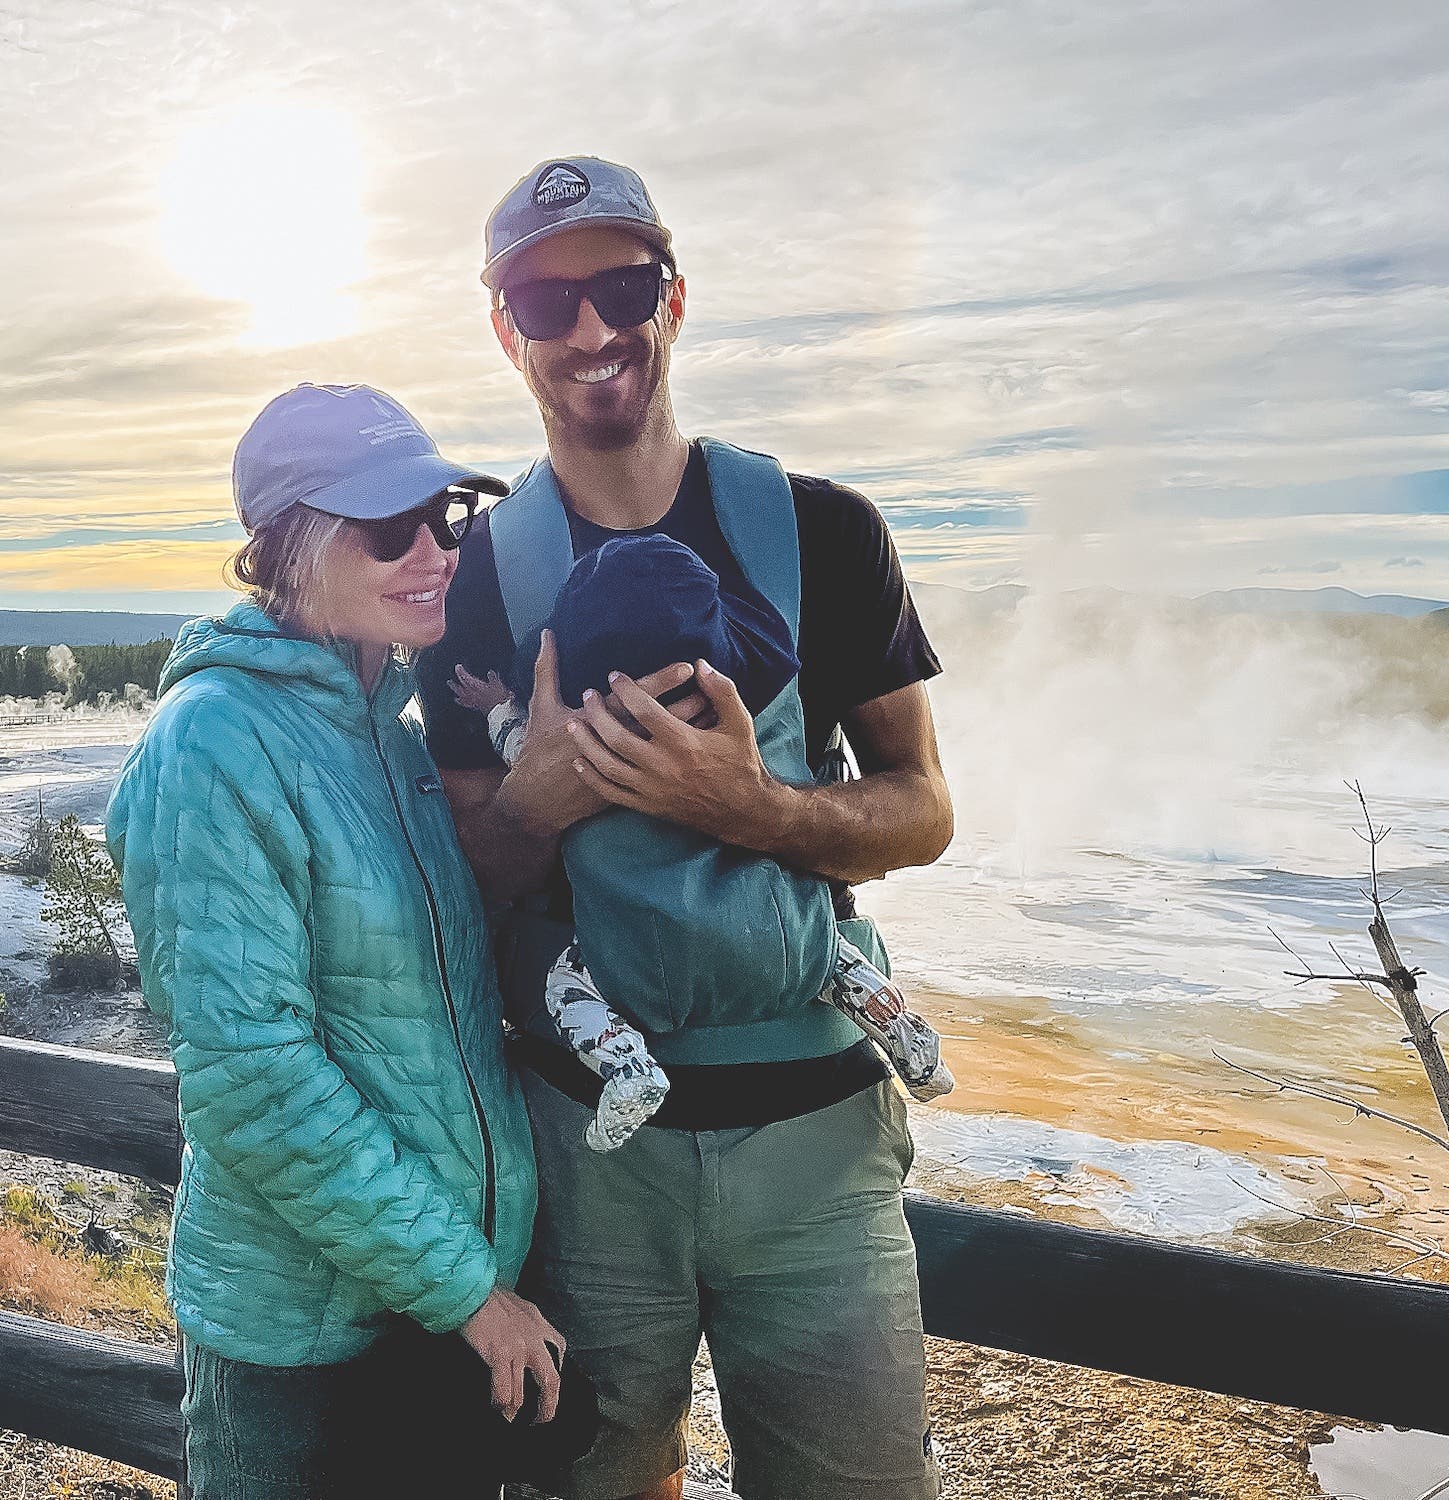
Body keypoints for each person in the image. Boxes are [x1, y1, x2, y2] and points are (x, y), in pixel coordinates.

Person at [418, 156, 953, 1500]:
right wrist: (541, 791)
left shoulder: (826, 532)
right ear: (505, 331)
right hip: (587, 1156)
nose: (591, 330)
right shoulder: (471, 576)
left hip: (820, 1151)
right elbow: (466, 872)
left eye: (623, 285)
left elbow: (922, 810)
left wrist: (751, 806)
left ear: (675, 298)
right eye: (547, 299)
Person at [106, 383, 593, 1499]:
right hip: (302, 1344)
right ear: (288, 552)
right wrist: (470, 1291)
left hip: (423, 1311)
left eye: (448, 519)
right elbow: (252, 1079)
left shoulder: (398, 733)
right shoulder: (217, 741)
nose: (434, 555)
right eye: (388, 532)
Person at [444, 531, 955, 1152]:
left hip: (637, 955)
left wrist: (500, 707)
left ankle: (628, 1068)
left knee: (568, 989)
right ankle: (904, 1031)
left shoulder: (582, 747)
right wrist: (761, 807)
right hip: (778, 938)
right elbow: (920, 811)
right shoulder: (754, 728)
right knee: (830, 958)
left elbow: (518, 756)